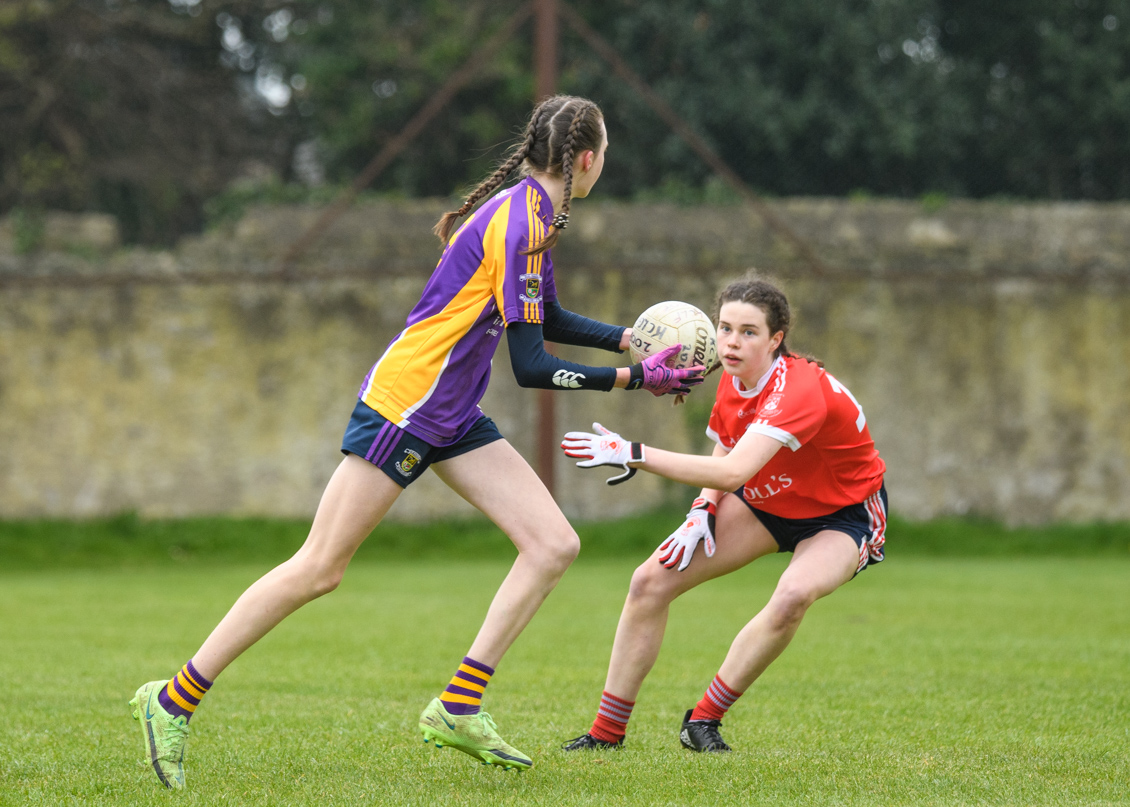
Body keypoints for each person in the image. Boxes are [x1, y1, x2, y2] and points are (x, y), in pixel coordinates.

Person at [129, 94, 706, 789]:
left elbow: (543, 314)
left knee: (553, 543)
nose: (602, 165)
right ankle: (173, 698)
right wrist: (633, 376)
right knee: (319, 567)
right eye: (604, 155)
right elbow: (529, 364)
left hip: (453, 411)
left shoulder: (537, 216)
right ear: (586, 159)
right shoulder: (522, 222)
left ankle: (458, 705)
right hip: (407, 405)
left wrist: (632, 342)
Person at [559, 274, 886, 753]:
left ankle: (703, 721)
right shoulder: (735, 378)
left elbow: (734, 471)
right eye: (725, 328)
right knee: (649, 582)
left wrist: (631, 451)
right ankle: (605, 734)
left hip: (843, 512)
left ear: (777, 339)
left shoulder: (797, 389)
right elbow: (724, 447)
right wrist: (701, 510)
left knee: (793, 594)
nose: (731, 342)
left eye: (748, 332)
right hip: (767, 501)